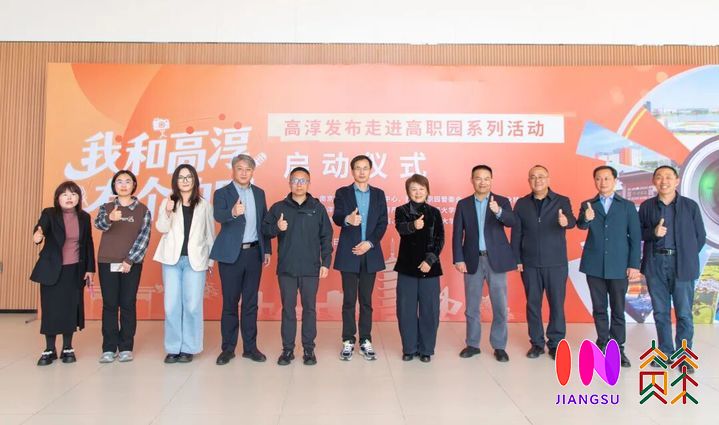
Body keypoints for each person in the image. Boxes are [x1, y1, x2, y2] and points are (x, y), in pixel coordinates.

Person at [262, 167, 333, 366]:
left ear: (309, 184)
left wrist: (326, 262)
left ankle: (309, 349)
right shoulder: (279, 207)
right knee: (288, 309)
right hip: (287, 268)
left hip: (311, 268)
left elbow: (326, 236)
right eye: (295, 180)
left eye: (303, 181)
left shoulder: (317, 208)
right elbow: (265, 230)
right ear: (289, 183)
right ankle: (287, 350)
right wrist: (277, 228)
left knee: (310, 309)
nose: (299, 184)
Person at [639, 165, 706, 373]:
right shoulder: (647, 206)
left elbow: (700, 237)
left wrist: (685, 255)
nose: (664, 181)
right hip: (655, 264)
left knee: (684, 313)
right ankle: (665, 353)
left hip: (682, 264)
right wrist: (654, 232)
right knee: (661, 312)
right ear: (654, 181)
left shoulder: (690, 206)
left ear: (677, 181)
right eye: (659, 177)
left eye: (668, 177)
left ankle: (684, 356)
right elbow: (639, 233)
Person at [211, 154, 272, 365]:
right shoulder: (222, 193)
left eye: (248, 169)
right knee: (230, 303)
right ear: (233, 170)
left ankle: (250, 348)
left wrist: (267, 250)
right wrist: (233, 212)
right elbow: (218, 216)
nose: (244, 173)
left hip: (254, 254)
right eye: (240, 168)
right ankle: (227, 349)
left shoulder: (259, 193)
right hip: (230, 255)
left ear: (253, 171)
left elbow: (264, 223)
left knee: (250, 303)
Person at [577, 165, 640, 368]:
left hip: (619, 265)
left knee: (618, 309)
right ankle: (602, 343)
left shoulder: (627, 206)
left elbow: (635, 237)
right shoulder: (588, 205)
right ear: (594, 181)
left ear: (615, 181)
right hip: (594, 265)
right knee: (599, 308)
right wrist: (586, 218)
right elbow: (581, 225)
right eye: (598, 178)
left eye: (606, 178)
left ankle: (618, 347)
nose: (602, 182)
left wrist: (633, 265)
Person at [511, 165, 575, 360]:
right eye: (533, 177)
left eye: (541, 176)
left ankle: (556, 343)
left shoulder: (561, 201)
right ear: (528, 180)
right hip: (529, 263)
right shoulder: (522, 204)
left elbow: (572, 221)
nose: (537, 180)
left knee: (556, 305)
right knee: (533, 304)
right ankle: (537, 343)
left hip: (556, 263)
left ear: (548, 179)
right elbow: (516, 233)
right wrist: (517, 259)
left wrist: (566, 222)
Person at [453, 165, 516, 362]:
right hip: (472, 260)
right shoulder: (463, 204)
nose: (482, 182)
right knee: (472, 305)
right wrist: (458, 258)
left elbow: (512, 222)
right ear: (472, 180)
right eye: (478, 178)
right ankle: (472, 344)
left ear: (491, 180)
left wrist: (499, 212)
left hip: (496, 260)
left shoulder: (502, 201)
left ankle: (499, 346)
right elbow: (457, 233)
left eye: (486, 178)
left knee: (500, 305)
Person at [154, 164, 215, 364]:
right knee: (171, 305)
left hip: (195, 261)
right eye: (181, 177)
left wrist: (211, 260)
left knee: (192, 305)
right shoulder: (169, 202)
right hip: (171, 260)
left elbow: (210, 234)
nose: (185, 180)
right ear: (175, 181)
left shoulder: (204, 205)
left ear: (195, 180)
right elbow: (162, 228)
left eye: (189, 177)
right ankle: (173, 348)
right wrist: (168, 211)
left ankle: (189, 348)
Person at [30, 181, 95, 366]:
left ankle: (68, 347)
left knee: (70, 308)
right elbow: (40, 228)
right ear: (57, 198)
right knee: (50, 309)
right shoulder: (49, 213)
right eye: (65, 194)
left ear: (78, 198)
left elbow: (88, 243)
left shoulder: (84, 217)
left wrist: (90, 269)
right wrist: (37, 236)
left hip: (74, 270)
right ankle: (49, 348)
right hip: (51, 269)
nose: (69, 198)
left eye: (73, 194)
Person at [333, 155, 388, 361]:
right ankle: (348, 341)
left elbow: (383, 222)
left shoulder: (379, 194)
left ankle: (365, 340)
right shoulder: (343, 192)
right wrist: (348, 219)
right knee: (349, 300)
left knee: (366, 301)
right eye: (358, 168)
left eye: (365, 168)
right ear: (352, 170)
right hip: (349, 253)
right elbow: (337, 216)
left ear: (371, 170)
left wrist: (369, 243)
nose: (362, 172)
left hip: (370, 253)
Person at [94, 169, 152, 363]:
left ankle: (126, 346)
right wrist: (110, 218)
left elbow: (144, 237)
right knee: (110, 304)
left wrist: (129, 260)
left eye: (128, 181)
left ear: (134, 185)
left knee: (128, 303)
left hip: (131, 264)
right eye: (119, 181)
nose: (124, 185)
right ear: (114, 186)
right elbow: (99, 225)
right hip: (107, 261)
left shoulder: (143, 210)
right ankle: (109, 348)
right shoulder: (106, 207)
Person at [394, 174, 444, 363]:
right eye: (413, 189)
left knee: (429, 310)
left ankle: (426, 349)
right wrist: (413, 225)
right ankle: (409, 348)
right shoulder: (401, 210)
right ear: (408, 192)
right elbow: (401, 228)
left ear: (427, 191)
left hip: (429, 269)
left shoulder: (435, 213)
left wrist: (429, 261)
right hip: (407, 268)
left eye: (421, 189)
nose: (417, 192)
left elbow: (440, 239)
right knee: (405, 310)